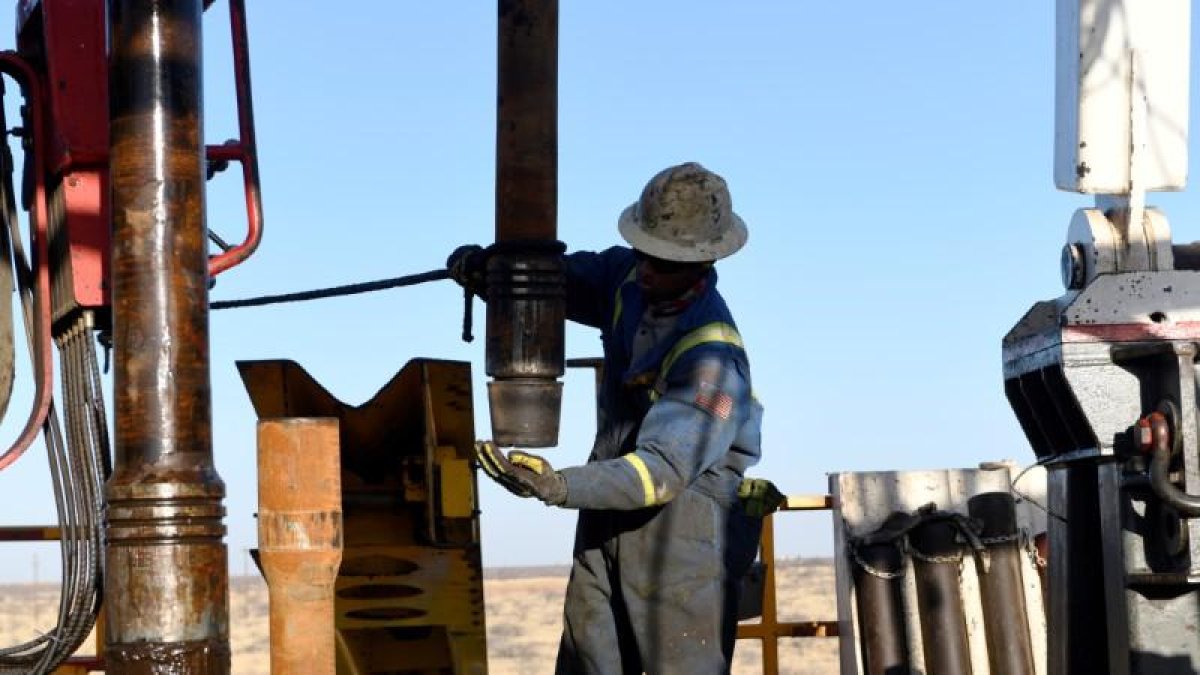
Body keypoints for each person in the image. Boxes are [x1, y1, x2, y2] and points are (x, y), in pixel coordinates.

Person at [448, 162, 767, 674]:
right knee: (588, 656)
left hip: (681, 529)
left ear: (702, 261)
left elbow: (660, 471)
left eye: (662, 262)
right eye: (643, 253)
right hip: (606, 506)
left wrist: (560, 485)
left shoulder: (713, 359)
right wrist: (495, 272)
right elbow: (551, 281)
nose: (647, 270)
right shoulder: (627, 279)